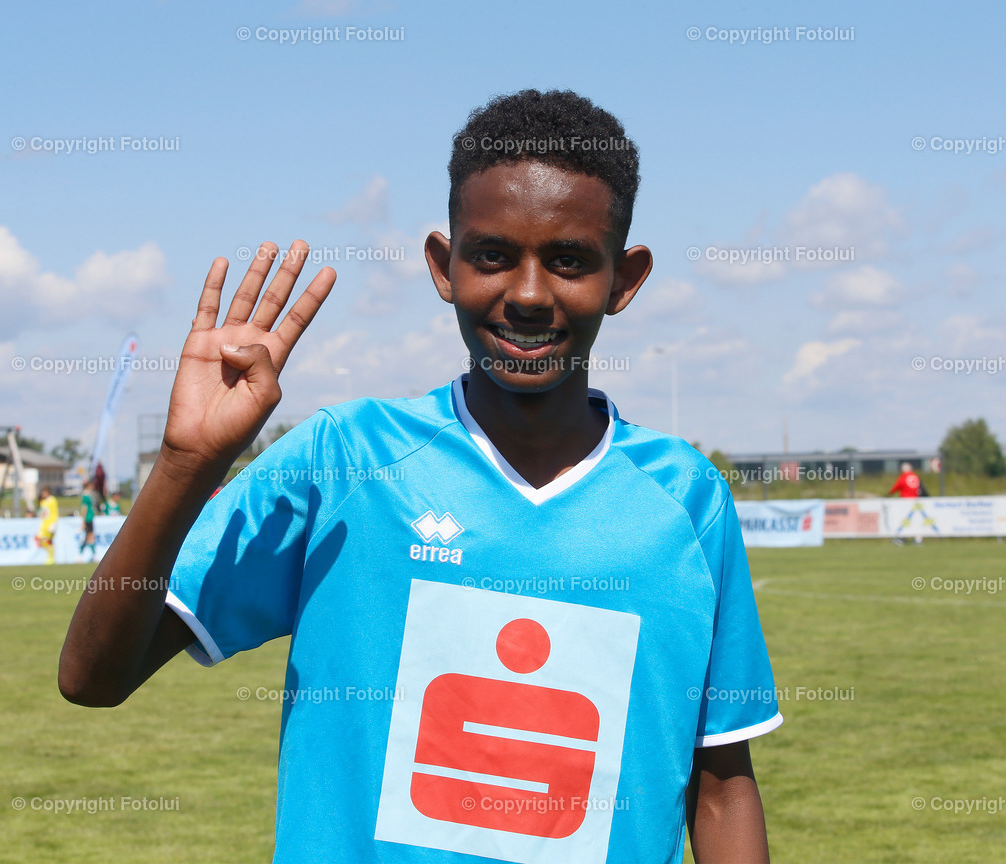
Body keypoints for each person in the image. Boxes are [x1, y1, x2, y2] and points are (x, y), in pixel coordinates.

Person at [60, 90, 782, 863]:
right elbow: (93, 678)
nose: (530, 294)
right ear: (444, 265)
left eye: (569, 260)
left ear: (624, 279)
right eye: (493, 255)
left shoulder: (685, 498)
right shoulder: (344, 459)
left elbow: (722, 783)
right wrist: (184, 465)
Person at [35, 486, 59, 565]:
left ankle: (51, 558)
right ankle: (50, 556)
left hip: (50, 523)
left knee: (47, 540)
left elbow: (55, 512)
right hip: (44, 524)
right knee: (40, 539)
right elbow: (42, 512)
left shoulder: (52, 500)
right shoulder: (43, 501)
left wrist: (53, 523)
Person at [79, 481, 96, 562]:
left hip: (90, 517)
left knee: (88, 537)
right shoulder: (85, 496)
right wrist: (83, 521)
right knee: (90, 536)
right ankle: (93, 555)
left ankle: (80, 555)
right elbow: (84, 508)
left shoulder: (89, 495)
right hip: (88, 518)